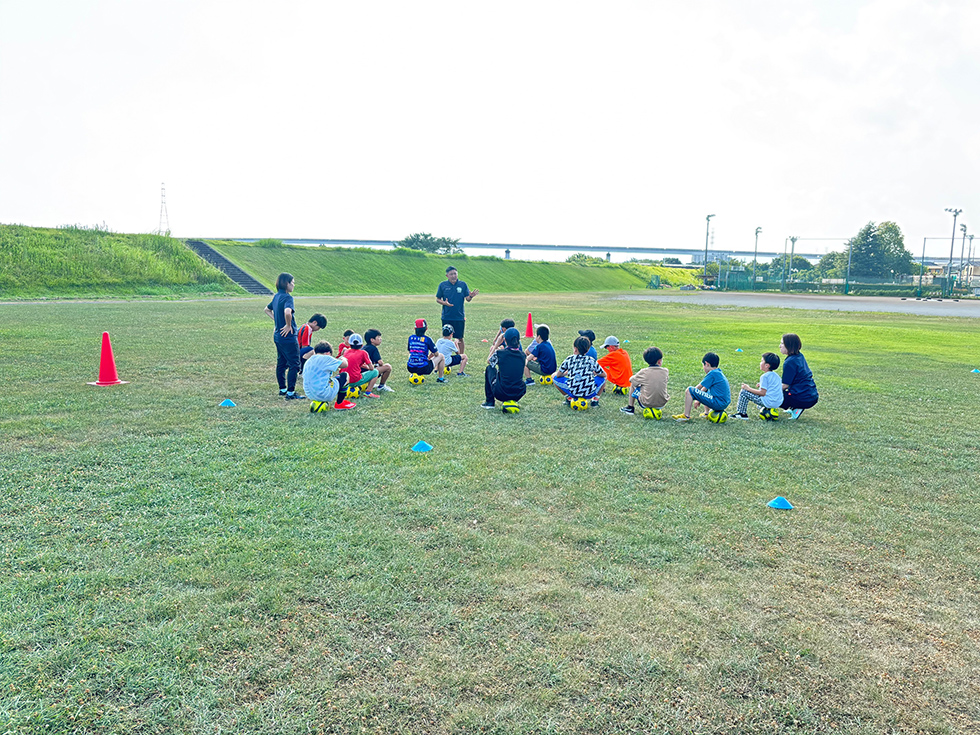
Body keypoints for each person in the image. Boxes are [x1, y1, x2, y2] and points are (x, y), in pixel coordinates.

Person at [263, 272, 303, 400]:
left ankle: (282, 389)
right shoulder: (287, 297)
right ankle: (291, 393)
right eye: (292, 283)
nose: (293, 285)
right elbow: (287, 312)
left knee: (281, 363)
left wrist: (277, 322)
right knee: (294, 364)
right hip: (288, 337)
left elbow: (267, 309)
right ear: (287, 284)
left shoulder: (276, 296)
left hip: (277, 337)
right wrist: (288, 325)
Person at [673, 352, 731, 422]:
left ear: (707, 364)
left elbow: (699, 387)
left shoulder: (712, 373)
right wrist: (698, 399)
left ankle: (686, 416)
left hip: (717, 403)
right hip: (723, 403)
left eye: (703, 365)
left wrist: (693, 394)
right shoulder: (718, 372)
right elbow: (705, 388)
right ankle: (706, 413)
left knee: (689, 390)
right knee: (707, 390)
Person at [436, 266, 479, 357]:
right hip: (447, 316)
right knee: (446, 338)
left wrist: (470, 296)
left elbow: (467, 299)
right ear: (447, 275)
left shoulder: (462, 285)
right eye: (451, 274)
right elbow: (438, 299)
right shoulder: (443, 285)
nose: (453, 276)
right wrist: (445, 303)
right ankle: (444, 356)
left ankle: (461, 357)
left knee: (460, 338)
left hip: (459, 316)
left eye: (455, 273)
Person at [553, 336, 606, 407]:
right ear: (587, 350)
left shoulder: (569, 359)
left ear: (575, 349)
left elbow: (558, 375)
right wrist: (593, 373)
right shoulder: (591, 360)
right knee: (604, 378)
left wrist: (567, 373)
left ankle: (569, 398)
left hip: (573, 392)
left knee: (554, 376)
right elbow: (603, 374)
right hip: (590, 392)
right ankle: (595, 400)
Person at [482, 327, 527, 409]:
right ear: (519, 340)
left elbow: (489, 361)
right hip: (518, 392)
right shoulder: (523, 355)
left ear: (505, 340)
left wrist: (496, 345)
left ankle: (489, 402)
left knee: (489, 368)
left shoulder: (500, 353)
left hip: (501, 393)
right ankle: (512, 400)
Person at [304, 341, 356, 411]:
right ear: (328, 353)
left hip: (309, 394)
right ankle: (340, 403)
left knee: (331, 379)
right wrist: (343, 357)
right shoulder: (326, 358)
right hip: (323, 394)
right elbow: (345, 364)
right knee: (344, 376)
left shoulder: (309, 360)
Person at [779, 333, 819, 419]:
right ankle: (794, 408)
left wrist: (768, 390)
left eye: (782, 343)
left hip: (803, 398)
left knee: (774, 394)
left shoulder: (789, 362)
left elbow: (785, 385)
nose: (780, 346)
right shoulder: (799, 356)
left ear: (789, 346)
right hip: (812, 396)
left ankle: (797, 407)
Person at [621, 346, 669, 416]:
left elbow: (631, 380)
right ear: (659, 361)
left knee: (633, 384)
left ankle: (630, 407)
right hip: (662, 403)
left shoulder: (644, 372)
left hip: (646, 403)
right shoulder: (665, 371)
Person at [733, 352, 783, 419]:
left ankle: (742, 414)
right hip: (777, 403)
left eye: (762, 361)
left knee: (744, 392)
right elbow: (773, 387)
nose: (760, 363)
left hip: (768, 402)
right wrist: (761, 385)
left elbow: (762, 393)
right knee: (759, 395)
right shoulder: (777, 376)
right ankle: (764, 408)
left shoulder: (764, 376)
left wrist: (748, 388)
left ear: (767, 365)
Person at [339, 333, 380, 398]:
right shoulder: (363, 353)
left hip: (344, 380)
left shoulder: (346, 352)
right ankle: (368, 392)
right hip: (354, 380)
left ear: (349, 344)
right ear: (361, 345)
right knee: (376, 372)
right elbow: (371, 368)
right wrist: (366, 367)